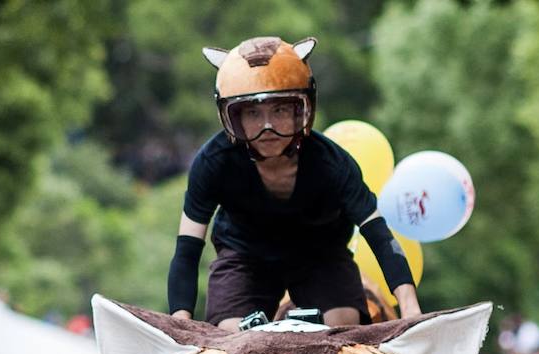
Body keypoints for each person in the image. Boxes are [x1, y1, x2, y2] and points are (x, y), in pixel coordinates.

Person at [166, 36, 421, 330]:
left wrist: (411, 309)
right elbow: (187, 248)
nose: (267, 126)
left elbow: (379, 236)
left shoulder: (333, 164)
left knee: (342, 329)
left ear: (303, 110)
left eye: (280, 110)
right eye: (252, 112)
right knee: (231, 337)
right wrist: (179, 323)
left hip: (321, 254)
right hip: (245, 256)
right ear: (231, 117)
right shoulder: (213, 162)